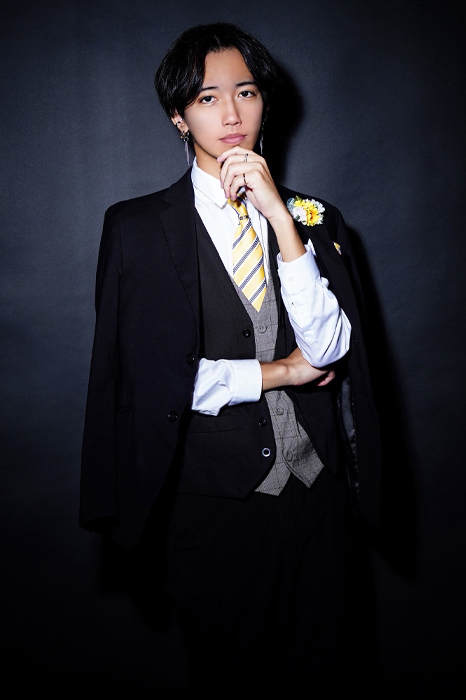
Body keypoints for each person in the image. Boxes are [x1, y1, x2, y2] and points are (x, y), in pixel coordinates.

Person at [80, 22, 381, 695]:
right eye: (207, 97)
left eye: (245, 92)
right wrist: (280, 373)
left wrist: (281, 218)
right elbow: (145, 383)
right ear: (178, 116)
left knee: (328, 676)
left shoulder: (315, 218)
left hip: (318, 499)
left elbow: (330, 350)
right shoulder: (135, 228)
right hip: (212, 506)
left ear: (265, 101)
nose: (232, 113)